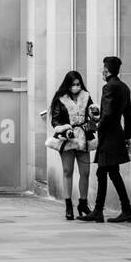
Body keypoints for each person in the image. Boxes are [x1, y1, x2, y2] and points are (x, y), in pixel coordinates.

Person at [88, 56, 131, 223]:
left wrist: (96, 125)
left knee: (111, 173)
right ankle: (99, 211)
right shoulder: (124, 87)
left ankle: (125, 210)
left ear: (106, 70)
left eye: (103, 68)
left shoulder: (109, 87)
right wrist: (128, 136)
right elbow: (129, 113)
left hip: (108, 135)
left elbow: (107, 114)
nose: (102, 71)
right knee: (104, 172)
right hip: (117, 134)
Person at [48, 71, 97, 221]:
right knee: (67, 171)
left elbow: (93, 115)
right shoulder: (60, 99)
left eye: (78, 84)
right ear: (67, 85)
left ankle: (83, 202)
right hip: (67, 138)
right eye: (73, 84)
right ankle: (68, 205)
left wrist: (94, 117)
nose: (76, 87)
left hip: (83, 137)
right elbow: (55, 121)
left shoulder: (86, 97)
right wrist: (65, 129)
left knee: (86, 172)